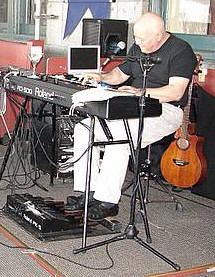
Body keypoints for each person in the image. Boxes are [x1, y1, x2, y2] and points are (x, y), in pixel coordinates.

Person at [67, 12, 197, 221]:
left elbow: (175, 92)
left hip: (166, 110)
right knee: (83, 128)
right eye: (135, 38)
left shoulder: (181, 51)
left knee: (119, 134)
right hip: (134, 106)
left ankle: (108, 201)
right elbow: (119, 74)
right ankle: (88, 192)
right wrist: (100, 76)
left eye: (142, 39)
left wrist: (139, 92)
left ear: (159, 35)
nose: (136, 43)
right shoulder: (138, 48)